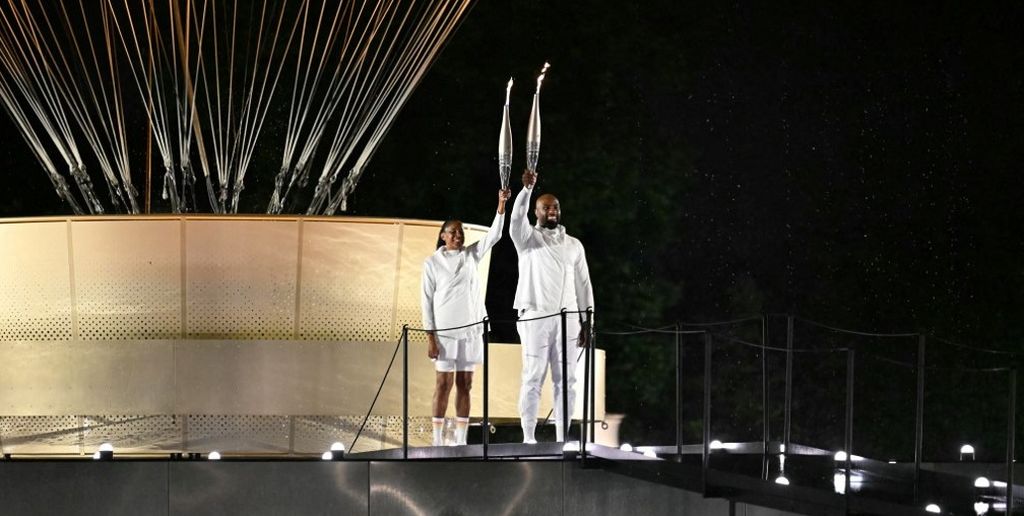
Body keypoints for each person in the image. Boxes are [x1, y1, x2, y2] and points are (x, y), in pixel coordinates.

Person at [510, 169, 594, 443]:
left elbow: (584, 285)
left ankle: (562, 438)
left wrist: (587, 321)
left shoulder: (574, 245)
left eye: (555, 207)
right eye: (546, 207)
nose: (552, 211)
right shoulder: (528, 240)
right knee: (533, 376)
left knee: (566, 380)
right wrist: (526, 191)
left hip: (569, 319)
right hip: (535, 315)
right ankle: (529, 437)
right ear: (537, 212)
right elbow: (514, 220)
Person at [421, 188, 510, 446]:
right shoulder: (432, 263)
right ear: (443, 236)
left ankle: (461, 440)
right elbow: (426, 300)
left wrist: (501, 205)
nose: (458, 236)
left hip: (471, 331)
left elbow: (495, 235)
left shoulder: (472, 255)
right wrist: (431, 337)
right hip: (445, 333)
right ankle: (437, 440)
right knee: (443, 384)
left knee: (466, 384)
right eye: (453, 232)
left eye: (461, 232)